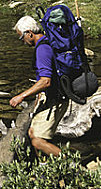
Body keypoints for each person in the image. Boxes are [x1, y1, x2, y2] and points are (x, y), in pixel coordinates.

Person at [10, 15, 70, 157]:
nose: (22, 42)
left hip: (56, 99)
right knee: (32, 132)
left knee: (37, 141)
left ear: (29, 33)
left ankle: (74, 167)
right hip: (53, 96)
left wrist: (21, 96)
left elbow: (45, 81)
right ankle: (46, 166)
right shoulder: (47, 41)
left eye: (21, 37)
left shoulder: (42, 49)